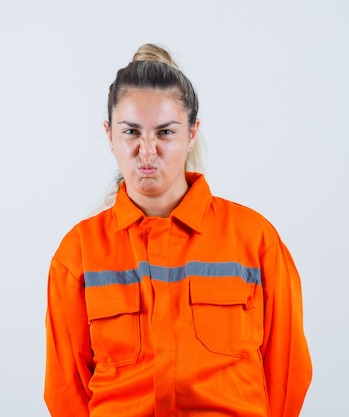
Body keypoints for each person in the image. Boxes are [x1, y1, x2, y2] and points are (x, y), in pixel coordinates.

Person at [44, 43, 312, 417]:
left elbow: (287, 372)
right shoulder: (79, 253)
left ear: (192, 133)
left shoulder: (255, 240)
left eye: (165, 132)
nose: (148, 151)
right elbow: (65, 390)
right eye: (131, 132)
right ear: (109, 135)